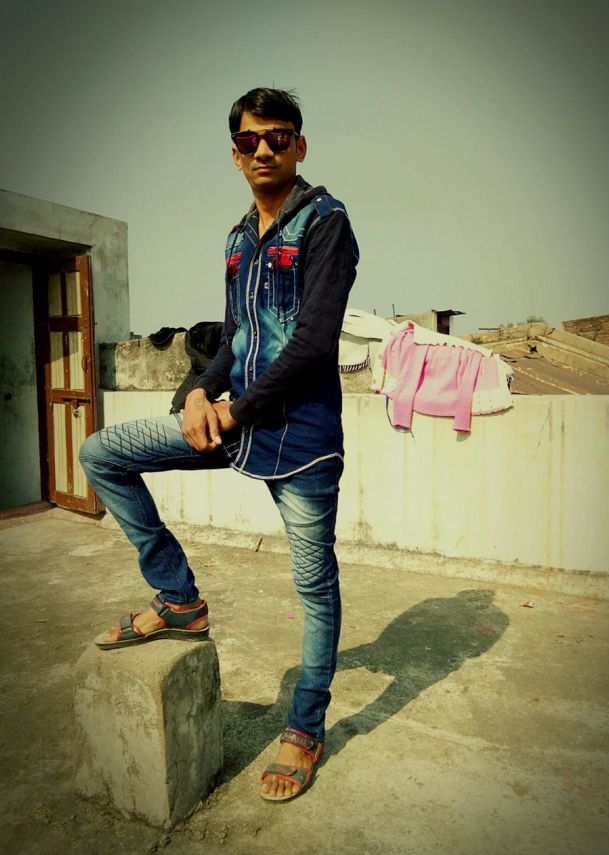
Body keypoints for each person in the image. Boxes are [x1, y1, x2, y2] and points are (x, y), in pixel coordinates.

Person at [79, 87, 359, 803]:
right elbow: (235, 336)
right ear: (235, 154)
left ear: (299, 145)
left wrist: (237, 410)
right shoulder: (238, 240)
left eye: (277, 136)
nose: (262, 149)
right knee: (102, 453)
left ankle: (305, 726)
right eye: (248, 140)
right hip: (231, 421)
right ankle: (178, 598)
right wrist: (202, 392)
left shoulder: (326, 223)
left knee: (314, 586)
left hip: (301, 438)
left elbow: (312, 342)